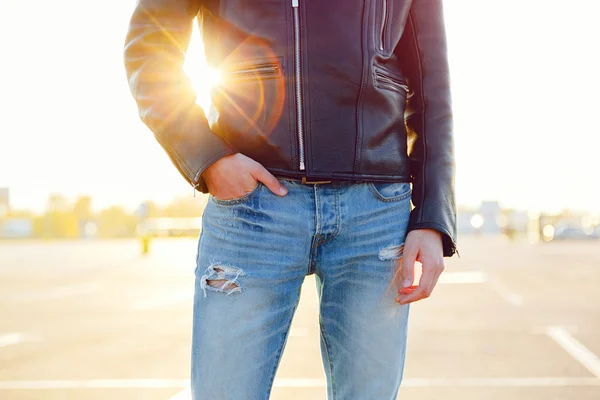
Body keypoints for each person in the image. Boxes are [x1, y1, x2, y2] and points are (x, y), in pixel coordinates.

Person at [124, 0, 457, 398]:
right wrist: (208, 157)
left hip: (375, 214)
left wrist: (433, 217)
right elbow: (149, 46)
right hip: (252, 210)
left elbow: (432, 87)